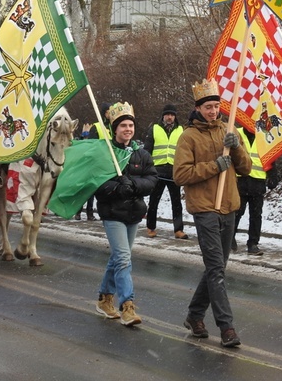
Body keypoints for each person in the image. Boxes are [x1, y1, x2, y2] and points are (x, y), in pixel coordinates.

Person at [173, 78, 251, 348]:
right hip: (205, 208)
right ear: (198, 108)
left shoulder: (229, 131)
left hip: (228, 206)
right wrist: (213, 166)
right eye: (208, 107)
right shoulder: (188, 137)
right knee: (216, 269)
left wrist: (237, 146)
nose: (213, 111)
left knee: (217, 268)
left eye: (216, 106)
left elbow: (247, 169)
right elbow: (181, 174)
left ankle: (195, 316)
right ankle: (226, 327)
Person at [95, 102, 157, 326]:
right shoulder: (106, 153)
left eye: (130, 125)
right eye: (123, 126)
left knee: (118, 258)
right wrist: (116, 188)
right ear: (115, 128)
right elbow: (97, 184)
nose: (128, 129)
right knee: (123, 258)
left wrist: (133, 184)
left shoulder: (141, 154)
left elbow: (152, 180)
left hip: (133, 213)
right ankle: (127, 306)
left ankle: (104, 298)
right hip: (112, 213)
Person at [231, 127, 279, 255]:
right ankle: (230, 239)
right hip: (240, 179)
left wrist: (273, 175)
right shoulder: (237, 132)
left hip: (258, 182)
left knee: (256, 215)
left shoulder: (265, 135)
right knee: (236, 212)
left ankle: (253, 243)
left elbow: (271, 157)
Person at [144, 104, 187, 239]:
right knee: (154, 201)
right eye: (168, 114)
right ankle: (151, 227)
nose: (170, 117)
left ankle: (178, 230)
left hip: (174, 171)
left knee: (176, 202)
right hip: (157, 171)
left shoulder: (181, 130)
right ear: (163, 115)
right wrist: (147, 168)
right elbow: (147, 150)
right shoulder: (154, 129)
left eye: (172, 115)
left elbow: (185, 151)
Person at [79, 102, 112, 221]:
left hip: (108, 164)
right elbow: (91, 146)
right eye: (109, 111)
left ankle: (105, 212)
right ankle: (87, 211)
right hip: (96, 163)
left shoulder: (115, 126)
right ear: (104, 113)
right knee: (90, 189)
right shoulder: (97, 127)